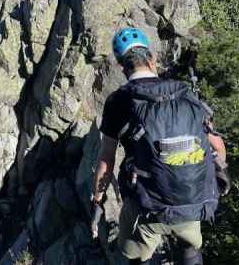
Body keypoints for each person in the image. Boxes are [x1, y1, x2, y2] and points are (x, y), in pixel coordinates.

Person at [91, 27, 230, 265]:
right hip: (190, 199)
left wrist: (98, 195)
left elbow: (107, 158)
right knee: (190, 245)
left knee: (136, 255)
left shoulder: (118, 101)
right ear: (152, 59)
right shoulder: (185, 94)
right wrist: (212, 173)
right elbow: (218, 145)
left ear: (123, 67)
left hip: (147, 206)